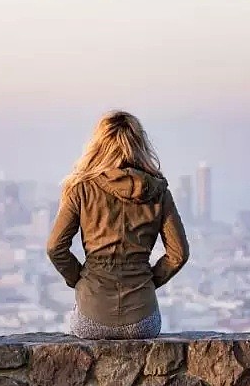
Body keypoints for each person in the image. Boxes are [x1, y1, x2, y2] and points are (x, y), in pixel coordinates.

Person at [46, 110, 189, 339]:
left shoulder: (81, 189)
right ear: (140, 145)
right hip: (143, 320)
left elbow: (55, 248)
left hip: (91, 315)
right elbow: (178, 254)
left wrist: (80, 280)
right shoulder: (159, 192)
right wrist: (148, 281)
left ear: (98, 145)